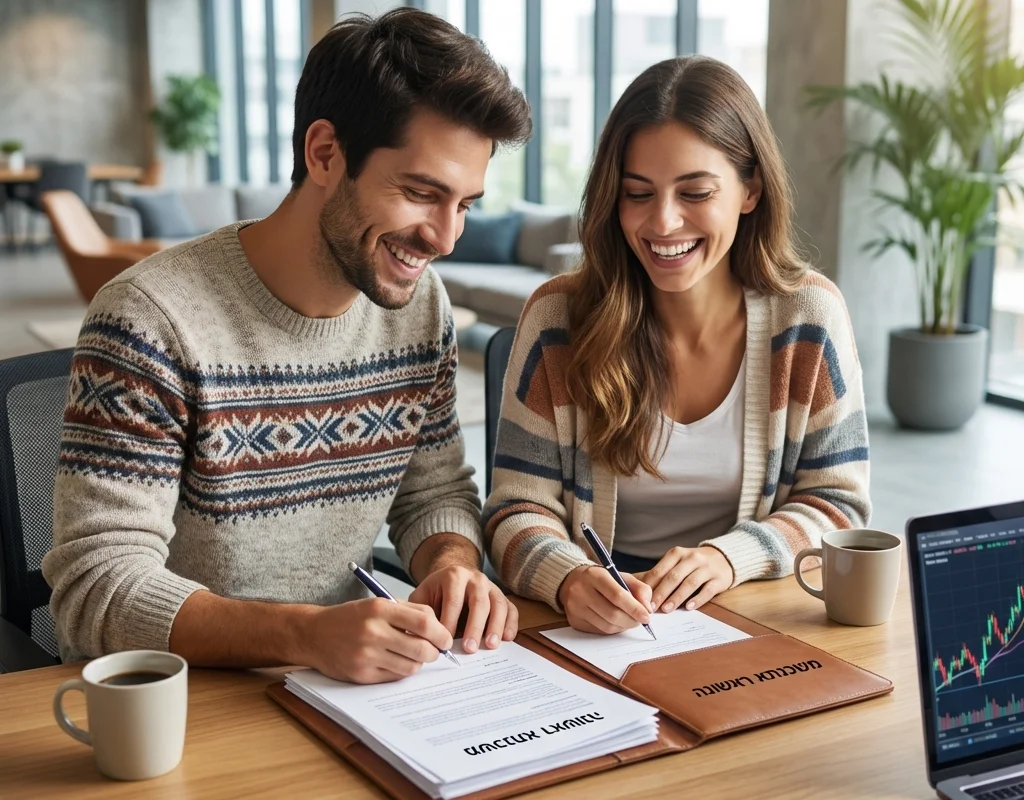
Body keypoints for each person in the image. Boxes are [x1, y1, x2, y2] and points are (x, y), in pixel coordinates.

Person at [42, 9, 532, 684]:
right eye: (421, 193)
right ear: (325, 153)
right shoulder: (151, 319)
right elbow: (96, 587)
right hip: (175, 696)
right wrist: (305, 633)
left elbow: (433, 494)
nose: (445, 238)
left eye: (465, 204)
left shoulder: (420, 308)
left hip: (343, 682)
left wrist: (452, 566)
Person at [483, 55, 870, 635]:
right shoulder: (558, 319)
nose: (662, 223)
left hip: (751, 615)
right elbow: (514, 508)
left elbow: (840, 506)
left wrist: (730, 556)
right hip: (596, 631)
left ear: (750, 189)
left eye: (694, 192)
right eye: (638, 194)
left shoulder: (808, 318)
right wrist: (566, 578)